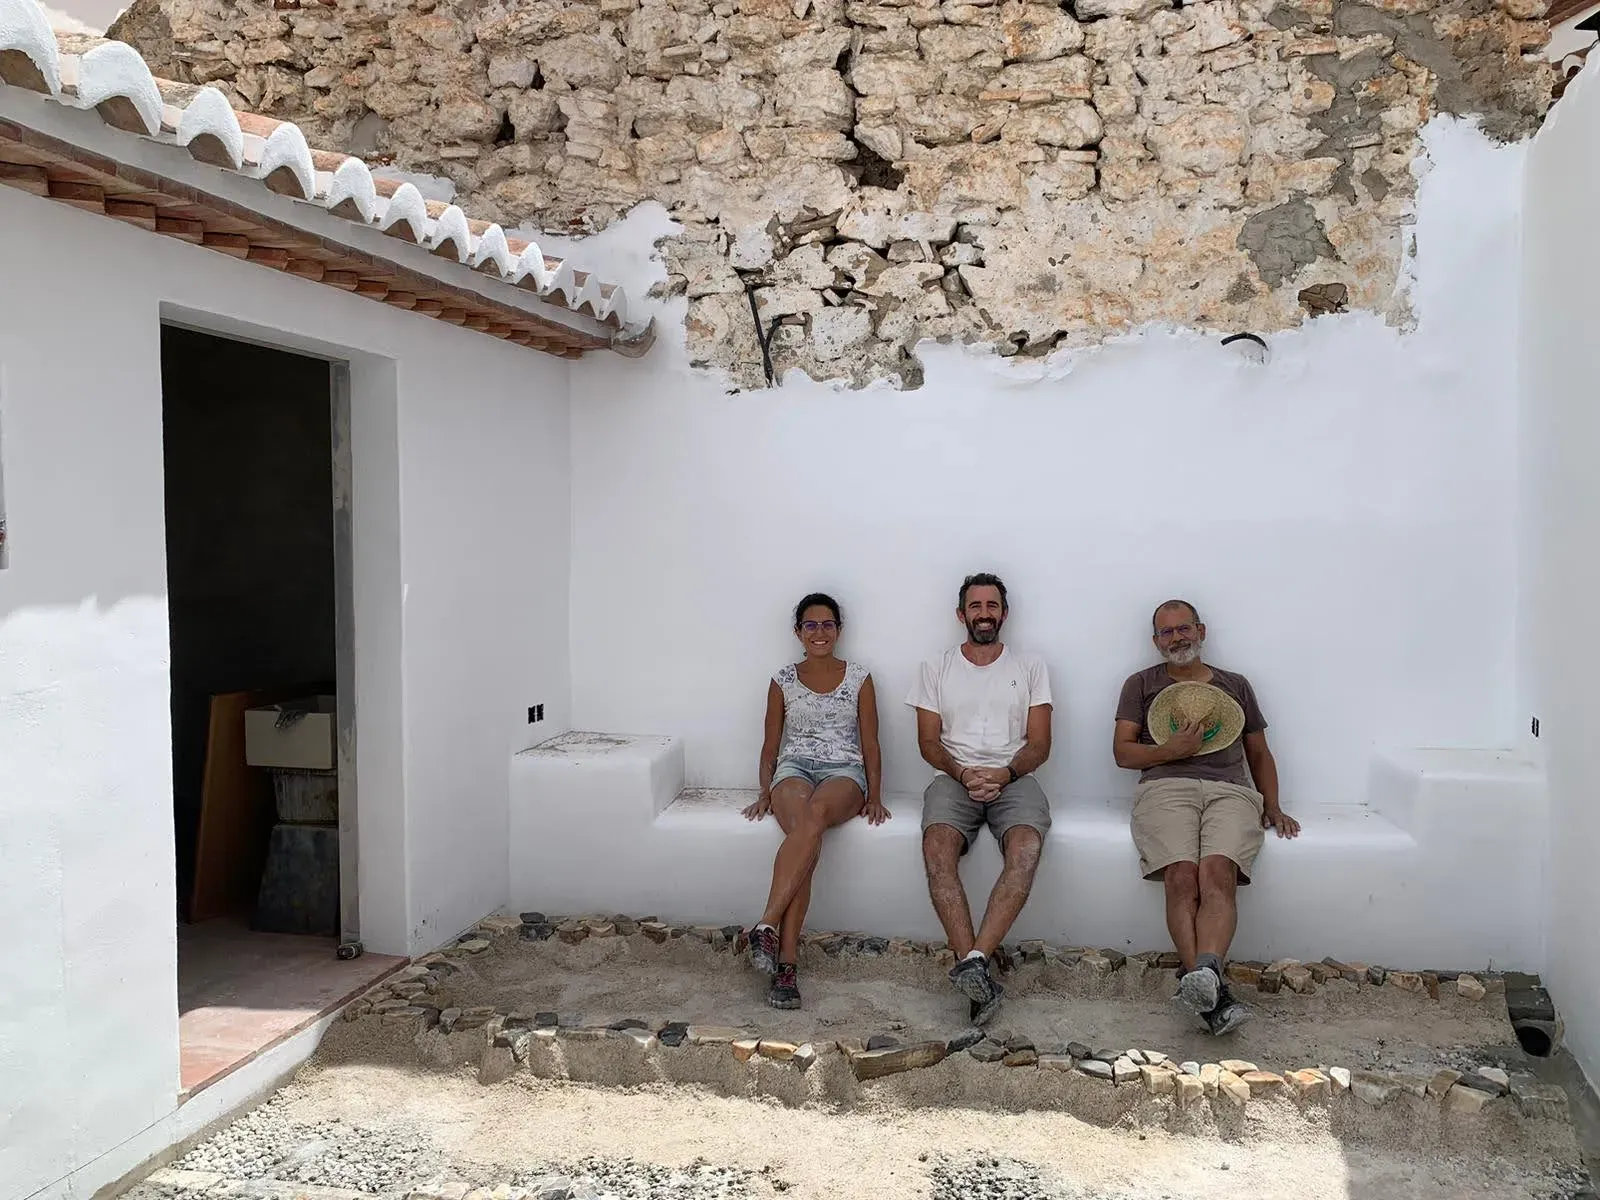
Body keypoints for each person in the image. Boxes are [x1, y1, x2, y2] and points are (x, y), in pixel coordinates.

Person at [1113, 599, 1301, 1035]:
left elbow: (1258, 751)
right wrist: (1168, 752)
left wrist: (1271, 805)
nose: (1177, 637)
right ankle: (1214, 989)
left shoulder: (1236, 684)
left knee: (1217, 873)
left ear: (1201, 631)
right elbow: (1123, 752)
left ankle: (1203, 978)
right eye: (1167, 632)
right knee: (1181, 875)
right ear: (1155, 641)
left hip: (1231, 790)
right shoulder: (1139, 684)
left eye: (1184, 629)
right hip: (1163, 788)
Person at [908, 572, 1053, 1025]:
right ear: (961, 614)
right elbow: (929, 742)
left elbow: (1040, 744)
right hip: (953, 776)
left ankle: (976, 960)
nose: (984, 614)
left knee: (1026, 847)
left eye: (992, 606)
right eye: (976, 606)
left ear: (1004, 614)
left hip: (1015, 776)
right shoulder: (936, 667)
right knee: (937, 849)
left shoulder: (1031, 666)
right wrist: (964, 772)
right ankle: (972, 964)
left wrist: (1005, 772)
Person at [745, 593, 888, 1009]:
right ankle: (785, 967)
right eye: (811, 625)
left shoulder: (860, 678)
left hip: (844, 773)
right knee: (806, 837)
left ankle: (767, 926)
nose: (820, 632)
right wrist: (763, 790)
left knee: (815, 817)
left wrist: (875, 795)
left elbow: (871, 743)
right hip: (794, 771)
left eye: (828, 625)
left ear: (839, 631)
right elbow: (771, 746)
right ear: (798, 632)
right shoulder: (782, 681)